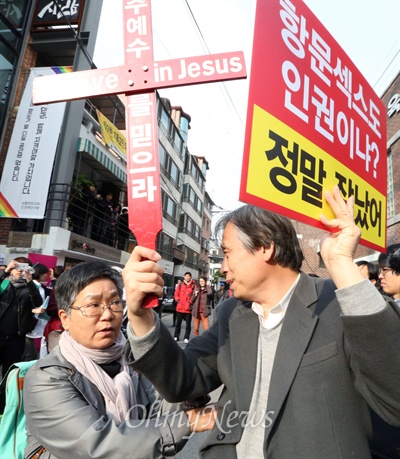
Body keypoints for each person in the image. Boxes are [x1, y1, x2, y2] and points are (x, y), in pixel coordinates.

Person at [122, 186, 400, 458]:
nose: (223, 267)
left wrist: (341, 263)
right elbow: (181, 380)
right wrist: (140, 315)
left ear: (265, 247)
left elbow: (394, 400)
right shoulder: (231, 312)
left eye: (228, 253)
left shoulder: (340, 303)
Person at [24, 261, 215, 459]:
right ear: (65, 318)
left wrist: (188, 390)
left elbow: (163, 410)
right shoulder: (45, 378)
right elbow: (96, 444)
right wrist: (188, 422)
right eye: (93, 305)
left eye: (114, 303)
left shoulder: (134, 360)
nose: (107, 314)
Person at [0, 258, 43, 376]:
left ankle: (5, 394)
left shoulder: (31, 286)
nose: (19, 270)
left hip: (17, 337)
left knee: (9, 373)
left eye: (22, 267)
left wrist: (30, 282)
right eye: (16, 267)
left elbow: (37, 303)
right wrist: (5, 271)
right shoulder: (4, 282)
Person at [24, 263, 51, 360]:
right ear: (39, 274)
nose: (46, 276)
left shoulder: (43, 288)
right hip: (30, 324)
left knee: (39, 353)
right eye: (45, 274)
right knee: (30, 354)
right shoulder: (29, 287)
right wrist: (35, 310)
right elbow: (24, 306)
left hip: (41, 322)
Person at [173, 272, 195, 343]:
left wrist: (190, 302)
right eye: (186, 276)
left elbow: (194, 295)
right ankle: (176, 336)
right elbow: (176, 293)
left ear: (190, 277)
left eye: (189, 276)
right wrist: (178, 300)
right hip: (180, 308)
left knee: (188, 325)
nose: (187, 277)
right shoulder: (180, 285)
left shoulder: (193, 285)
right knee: (178, 324)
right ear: (184, 277)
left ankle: (186, 337)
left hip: (188, 309)